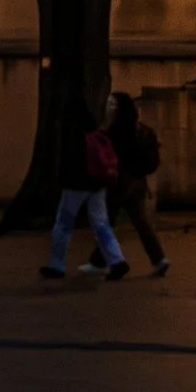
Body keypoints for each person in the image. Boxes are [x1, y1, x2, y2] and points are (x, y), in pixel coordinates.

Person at [37, 92, 128, 284]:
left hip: (76, 185)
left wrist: (61, 179)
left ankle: (57, 265)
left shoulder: (70, 130)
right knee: (101, 224)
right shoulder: (92, 129)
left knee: (63, 224)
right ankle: (117, 260)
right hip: (97, 184)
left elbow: (69, 161)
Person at [93, 90, 170, 278]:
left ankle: (113, 262)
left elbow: (113, 156)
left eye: (113, 105)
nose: (109, 108)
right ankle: (158, 259)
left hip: (119, 183)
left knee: (106, 222)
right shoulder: (141, 130)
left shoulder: (117, 131)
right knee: (139, 222)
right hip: (137, 182)